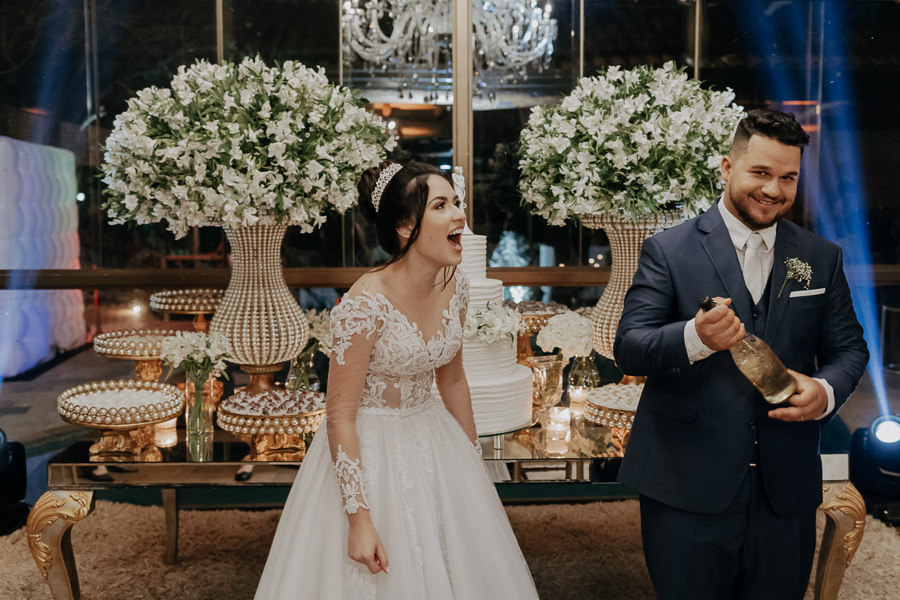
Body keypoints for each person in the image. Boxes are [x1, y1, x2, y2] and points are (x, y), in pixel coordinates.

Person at [614, 108, 869, 599]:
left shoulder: (820, 257)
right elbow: (630, 347)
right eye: (761, 173)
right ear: (727, 168)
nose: (774, 190)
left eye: (788, 177)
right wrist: (695, 337)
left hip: (785, 486)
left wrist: (826, 389)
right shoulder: (668, 250)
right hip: (687, 482)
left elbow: (849, 347)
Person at [255, 161, 539, 599]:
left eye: (457, 203)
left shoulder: (456, 286)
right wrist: (359, 518)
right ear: (406, 226)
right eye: (441, 205)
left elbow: (453, 381)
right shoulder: (364, 303)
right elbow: (340, 416)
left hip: (433, 435)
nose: (459, 215)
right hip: (368, 447)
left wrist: (471, 461)